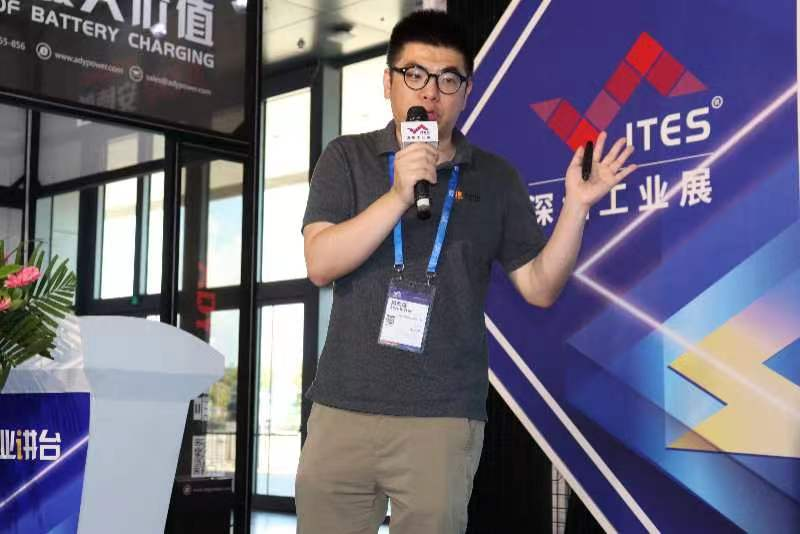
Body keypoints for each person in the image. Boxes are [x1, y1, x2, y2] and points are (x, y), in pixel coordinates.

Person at [296, 9, 636, 534]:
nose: (430, 92)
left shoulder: (496, 178)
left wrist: (576, 206)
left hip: (442, 416)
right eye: (415, 74)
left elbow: (540, 288)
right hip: (343, 408)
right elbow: (320, 262)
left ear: (467, 92)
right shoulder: (347, 157)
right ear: (388, 82)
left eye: (448, 79)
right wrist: (397, 194)